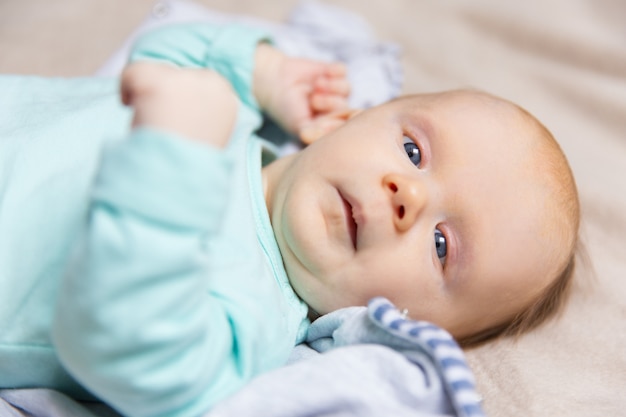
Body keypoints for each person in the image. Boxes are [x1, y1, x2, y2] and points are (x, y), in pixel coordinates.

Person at [0, 22, 579, 417]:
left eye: (442, 245)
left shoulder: (253, 318)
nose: (407, 196)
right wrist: (263, 73)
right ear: (342, 121)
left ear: (404, 324)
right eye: (413, 151)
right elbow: (158, 57)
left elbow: (125, 346)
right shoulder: (239, 115)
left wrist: (175, 156)